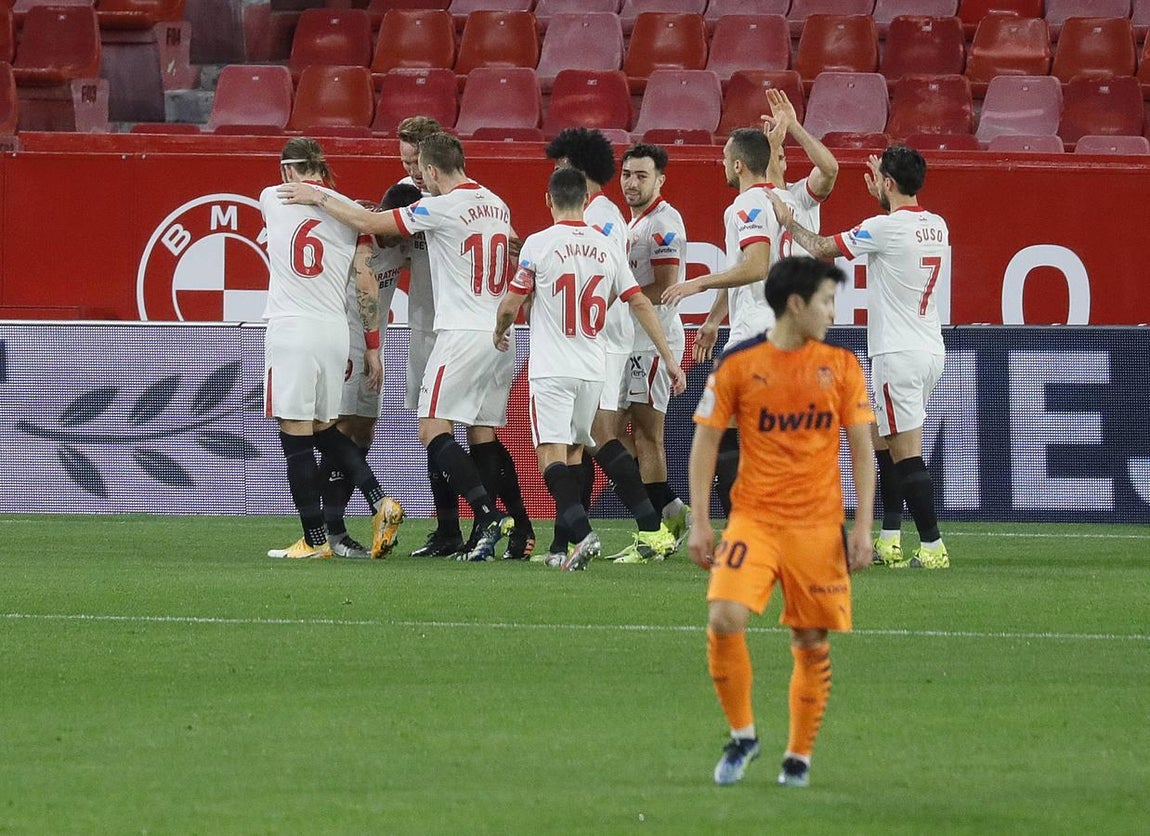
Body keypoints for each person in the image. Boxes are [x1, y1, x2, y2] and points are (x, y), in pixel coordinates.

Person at [279, 132, 528, 562]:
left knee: (432, 429)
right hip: (495, 333)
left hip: (459, 333)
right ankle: (508, 526)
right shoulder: (497, 204)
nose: (416, 177)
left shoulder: (439, 207)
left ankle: (487, 516)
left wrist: (317, 196)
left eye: (418, 169)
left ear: (431, 169)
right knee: (481, 433)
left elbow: (373, 224)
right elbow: (514, 252)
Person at [687, 256, 875, 789]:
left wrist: (863, 527)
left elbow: (863, 450)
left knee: (810, 637)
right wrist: (700, 521)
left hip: (818, 527)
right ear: (796, 304)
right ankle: (743, 734)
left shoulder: (841, 365)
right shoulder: (740, 364)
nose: (833, 313)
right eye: (827, 301)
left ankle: (798, 756)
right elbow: (705, 442)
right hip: (754, 520)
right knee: (724, 616)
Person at [763, 145, 950, 570]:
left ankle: (933, 547)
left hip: (896, 352)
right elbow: (895, 230)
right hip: (928, 347)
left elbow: (822, 247)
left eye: (881, 178)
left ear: (888, 183)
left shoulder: (884, 227)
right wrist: (884, 198)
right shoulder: (936, 224)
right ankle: (890, 539)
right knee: (884, 441)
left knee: (906, 453)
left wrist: (789, 222)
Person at [494, 167, 687, 570]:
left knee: (550, 455)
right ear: (585, 201)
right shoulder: (607, 246)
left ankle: (583, 535)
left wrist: (500, 330)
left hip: (552, 367)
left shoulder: (538, 243)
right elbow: (639, 301)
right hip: (593, 369)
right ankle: (571, 543)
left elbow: (512, 303)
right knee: (577, 451)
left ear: (548, 200)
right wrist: (670, 359)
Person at [544, 127, 685, 566]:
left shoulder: (602, 218)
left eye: (560, 165)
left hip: (605, 340)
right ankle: (565, 541)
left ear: (574, 167)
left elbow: (618, 284)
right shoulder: (606, 214)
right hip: (603, 339)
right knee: (581, 441)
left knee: (601, 437)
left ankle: (654, 527)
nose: (556, 173)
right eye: (627, 174)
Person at [259, 137, 405, 560]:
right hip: (336, 333)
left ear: (287, 170)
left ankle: (315, 539)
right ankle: (380, 500)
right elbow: (365, 280)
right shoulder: (350, 212)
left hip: (293, 329)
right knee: (326, 429)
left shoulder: (271, 197)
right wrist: (373, 346)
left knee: (296, 437)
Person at [308, 182, 422, 558]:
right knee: (339, 427)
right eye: (396, 232)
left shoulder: (404, 239)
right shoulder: (358, 233)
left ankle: (337, 526)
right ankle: (334, 531)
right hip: (346, 341)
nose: (400, 241)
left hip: (376, 344)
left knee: (363, 430)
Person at [618, 143, 691, 549]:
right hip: (632, 340)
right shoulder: (635, 222)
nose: (632, 183)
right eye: (627, 174)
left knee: (646, 435)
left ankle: (657, 529)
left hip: (651, 341)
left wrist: (617, 295)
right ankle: (671, 510)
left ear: (660, 180)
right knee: (606, 433)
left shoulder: (663, 223)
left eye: (641, 176)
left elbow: (665, 286)